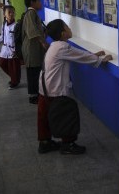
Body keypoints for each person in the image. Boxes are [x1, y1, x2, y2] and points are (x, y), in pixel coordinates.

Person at [37, 19, 112, 154]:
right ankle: (68, 145)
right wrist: (100, 60)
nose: (69, 28)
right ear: (62, 33)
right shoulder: (62, 47)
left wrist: (94, 56)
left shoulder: (55, 45)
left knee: (44, 116)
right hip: (55, 90)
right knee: (66, 114)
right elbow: (79, 55)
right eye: (66, 26)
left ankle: (45, 142)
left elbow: (77, 55)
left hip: (44, 88)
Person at [22, 0, 48, 105]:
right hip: (31, 49)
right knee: (33, 72)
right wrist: (43, 43)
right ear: (33, 2)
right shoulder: (31, 13)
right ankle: (33, 96)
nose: (40, 3)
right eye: (39, 0)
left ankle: (36, 94)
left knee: (36, 71)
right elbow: (32, 31)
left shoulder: (33, 13)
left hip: (35, 49)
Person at [0, 5, 21, 89]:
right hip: (5, 49)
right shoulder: (4, 24)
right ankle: (14, 78)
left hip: (13, 50)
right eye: (9, 12)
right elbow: (2, 36)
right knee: (2, 64)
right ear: (4, 14)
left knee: (14, 67)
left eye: (13, 12)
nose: (11, 14)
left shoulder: (16, 26)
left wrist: (17, 50)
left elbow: (18, 40)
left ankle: (14, 82)